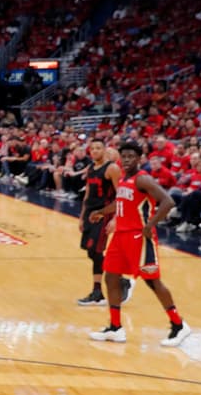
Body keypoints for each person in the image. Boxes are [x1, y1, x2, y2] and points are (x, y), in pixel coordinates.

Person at [89, 141, 190, 347]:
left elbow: (168, 201)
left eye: (130, 156)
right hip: (121, 236)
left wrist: (151, 224)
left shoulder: (142, 178)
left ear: (139, 159)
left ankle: (178, 325)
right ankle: (116, 327)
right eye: (123, 156)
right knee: (111, 277)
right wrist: (101, 212)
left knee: (152, 281)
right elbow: (119, 204)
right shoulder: (124, 179)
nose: (126, 160)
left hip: (140, 237)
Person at [76, 138, 131, 306]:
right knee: (92, 252)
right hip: (90, 214)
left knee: (96, 249)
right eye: (92, 149)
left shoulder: (112, 169)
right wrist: (81, 216)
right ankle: (118, 281)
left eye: (98, 148)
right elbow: (87, 195)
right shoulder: (91, 168)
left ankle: (98, 291)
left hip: (104, 214)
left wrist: (115, 218)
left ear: (105, 150)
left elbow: (121, 195)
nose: (95, 151)